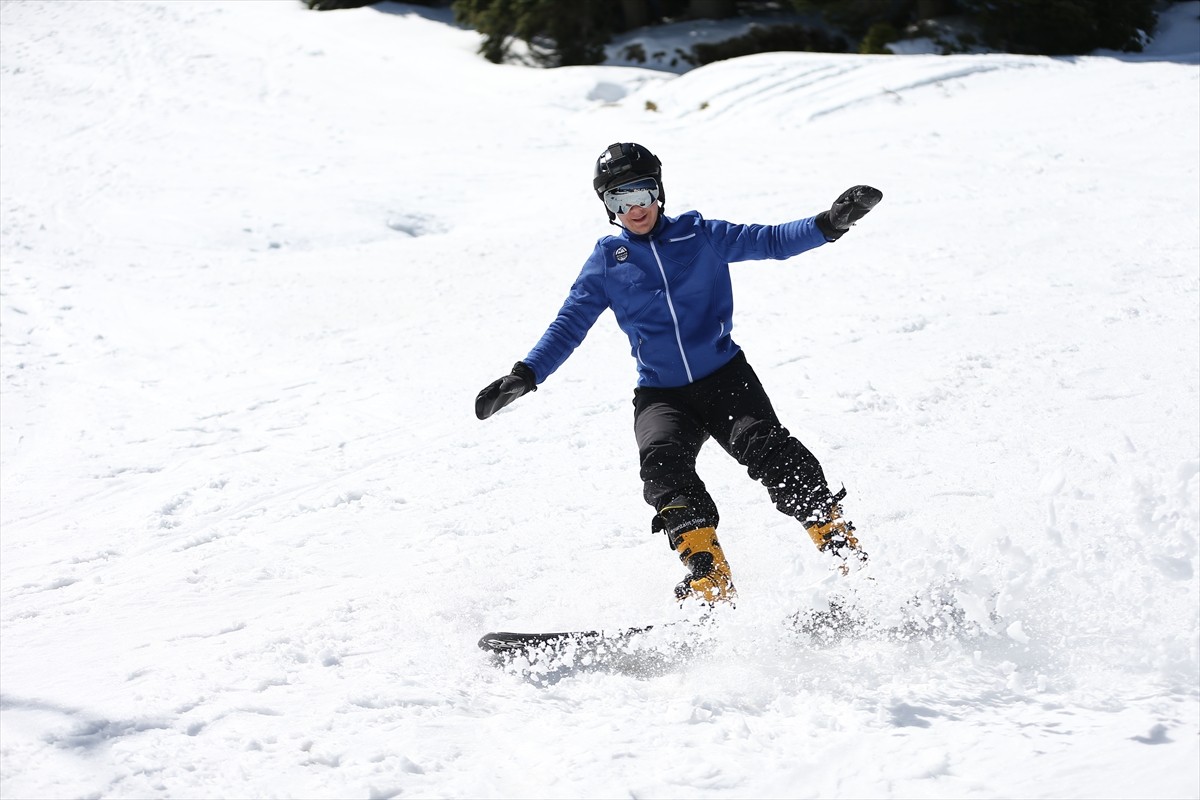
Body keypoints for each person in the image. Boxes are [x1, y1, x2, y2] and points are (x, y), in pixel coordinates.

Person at [475, 142, 881, 606]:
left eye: (641, 194)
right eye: (617, 200)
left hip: (725, 380)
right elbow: (569, 323)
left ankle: (848, 556)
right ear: (605, 206)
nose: (633, 209)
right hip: (662, 394)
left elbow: (769, 240)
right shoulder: (608, 261)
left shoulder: (699, 235)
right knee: (662, 467)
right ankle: (711, 580)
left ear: (659, 192)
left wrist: (830, 224)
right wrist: (524, 374)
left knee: (770, 451)